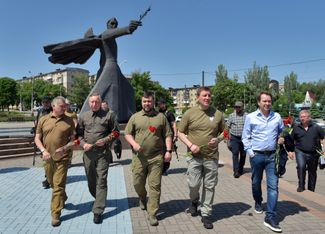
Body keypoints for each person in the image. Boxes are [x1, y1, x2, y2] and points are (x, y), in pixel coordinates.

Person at [44, 17, 142, 122]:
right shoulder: (106, 34)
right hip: (110, 67)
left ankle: (125, 117)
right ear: (107, 25)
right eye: (112, 23)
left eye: (115, 24)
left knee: (128, 90)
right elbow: (118, 32)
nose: (114, 25)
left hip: (111, 67)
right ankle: (86, 117)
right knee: (103, 92)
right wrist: (128, 28)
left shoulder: (107, 37)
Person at [178, 87, 225, 230]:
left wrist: (218, 139)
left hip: (211, 157)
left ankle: (206, 214)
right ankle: (194, 200)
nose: (207, 98)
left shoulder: (218, 114)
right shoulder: (189, 113)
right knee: (193, 185)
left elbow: (225, 132)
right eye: (204, 95)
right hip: (194, 157)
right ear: (198, 97)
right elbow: (180, 133)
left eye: (209, 95)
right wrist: (191, 145)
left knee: (209, 186)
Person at [124, 92, 172, 226]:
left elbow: (168, 135)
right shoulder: (135, 117)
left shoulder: (161, 117)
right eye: (145, 101)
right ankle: (142, 197)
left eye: (149, 101)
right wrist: (134, 144)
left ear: (153, 102)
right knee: (137, 183)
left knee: (155, 186)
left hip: (157, 157)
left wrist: (168, 151)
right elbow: (127, 134)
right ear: (141, 102)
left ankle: (152, 213)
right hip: (139, 158)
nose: (147, 104)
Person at [242, 91, 284, 233]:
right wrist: (251, 153)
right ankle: (258, 201)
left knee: (273, 186)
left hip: (272, 157)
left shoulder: (277, 116)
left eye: (269, 101)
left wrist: (281, 138)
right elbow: (245, 137)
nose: (267, 103)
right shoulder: (251, 117)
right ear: (259, 103)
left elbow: (281, 131)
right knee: (256, 182)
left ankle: (270, 216)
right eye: (264, 101)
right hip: (257, 156)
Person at [77, 92, 119, 224]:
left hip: (102, 154)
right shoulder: (83, 116)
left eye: (96, 102)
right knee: (91, 181)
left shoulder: (109, 115)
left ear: (100, 103)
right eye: (91, 102)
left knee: (101, 180)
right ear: (89, 103)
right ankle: (98, 199)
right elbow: (77, 136)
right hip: (88, 154)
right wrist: (83, 144)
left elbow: (116, 133)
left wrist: (106, 140)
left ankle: (98, 210)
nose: (94, 104)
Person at [34, 96, 76, 227]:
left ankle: (55, 214)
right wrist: (43, 151)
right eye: (62, 106)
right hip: (47, 158)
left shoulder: (69, 120)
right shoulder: (43, 119)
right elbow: (37, 138)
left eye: (65, 106)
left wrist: (64, 148)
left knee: (58, 186)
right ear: (54, 106)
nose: (65, 108)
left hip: (62, 159)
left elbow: (74, 140)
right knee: (53, 184)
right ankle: (63, 197)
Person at [287, 110, 325, 192]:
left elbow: (323, 138)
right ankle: (301, 185)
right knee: (301, 167)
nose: (302, 118)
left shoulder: (316, 127)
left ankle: (311, 189)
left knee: (312, 172)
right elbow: (290, 140)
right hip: (300, 151)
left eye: (304, 117)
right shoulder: (296, 128)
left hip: (314, 153)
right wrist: (290, 151)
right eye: (301, 117)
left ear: (309, 117)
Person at [33, 96, 53, 189]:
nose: (45, 104)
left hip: (50, 137)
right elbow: (37, 122)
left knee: (50, 158)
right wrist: (35, 129)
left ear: (50, 102)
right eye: (44, 102)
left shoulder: (53, 111)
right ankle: (48, 177)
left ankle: (49, 178)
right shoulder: (40, 111)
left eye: (47, 102)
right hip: (41, 138)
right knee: (45, 158)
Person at [227, 101, 247, 178]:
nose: (237, 108)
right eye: (235, 107)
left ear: (242, 107)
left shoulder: (246, 116)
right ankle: (236, 170)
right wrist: (227, 139)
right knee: (235, 153)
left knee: (243, 154)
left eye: (238, 107)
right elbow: (227, 127)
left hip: (244, 138)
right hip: (234, 138)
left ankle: (241, 168)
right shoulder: (231, 116)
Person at [158, 98, 177, 176]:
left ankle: (165, 169)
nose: (160, 105)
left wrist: (175, 135)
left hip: (169, 136)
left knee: (168, 152)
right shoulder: (158, 113)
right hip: (160, 136)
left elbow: (174, 124)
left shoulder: (169, 113)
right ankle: (161, 168)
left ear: (165, 104)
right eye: (159, 104)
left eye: (161, 104)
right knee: (161, 152)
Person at [64, 99, 78, 167]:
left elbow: (75, 123)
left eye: (68, 104)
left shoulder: (73, 113)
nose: (67, 105)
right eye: (66, 104)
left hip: (71, 133)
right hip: (63, 133)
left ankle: (69, 161)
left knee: (70, 147)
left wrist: (73, 131)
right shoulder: (62, 112)